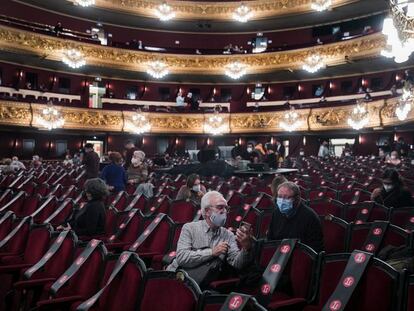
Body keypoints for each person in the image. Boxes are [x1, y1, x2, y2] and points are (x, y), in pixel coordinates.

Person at [167, 191, 254, 287]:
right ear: (207, 211)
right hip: (176, 277)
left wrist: (246, 248)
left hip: (199, 285)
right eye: (220, 207)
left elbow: (237, 264)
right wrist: (212, 252)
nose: (224, 211)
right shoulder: (189, 228)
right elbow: (182, 258)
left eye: (226, 208)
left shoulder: (228, 235)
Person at [268, 182, 324, 253]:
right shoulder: (276, 212)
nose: (282, 201)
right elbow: (270, 239)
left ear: (297, 199)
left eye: (286, 197)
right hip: (278, 255)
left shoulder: (310, 217)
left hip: (300, 256)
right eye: (279, 197)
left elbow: (315, 248)